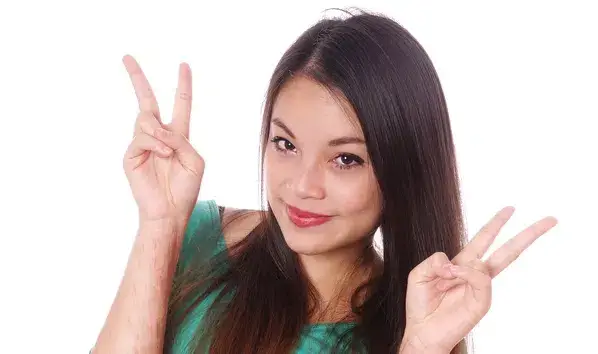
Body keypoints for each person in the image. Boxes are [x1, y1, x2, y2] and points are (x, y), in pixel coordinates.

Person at [92, 10, 558, 354]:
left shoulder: (413, 328)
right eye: (286, 144)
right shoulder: (194, 236)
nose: (302, 186)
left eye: (346, 159)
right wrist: (158, 225)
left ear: (401, 170)